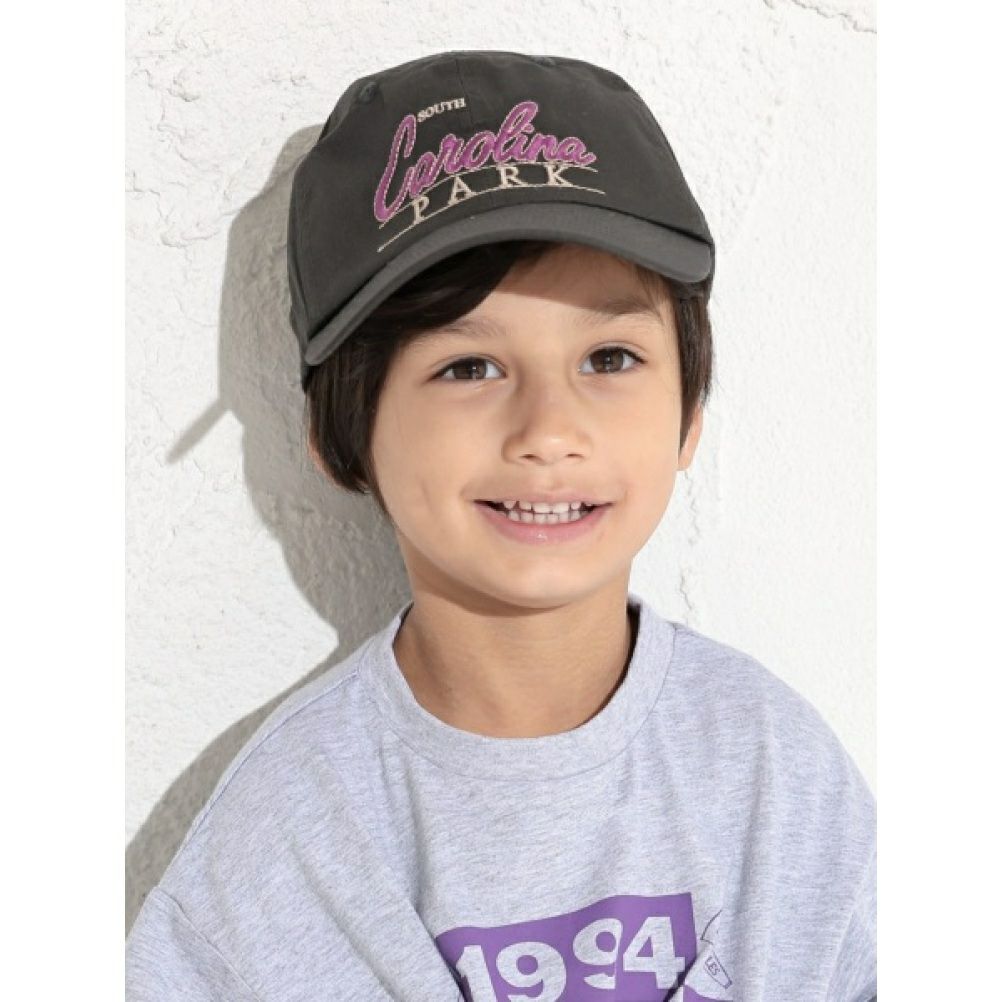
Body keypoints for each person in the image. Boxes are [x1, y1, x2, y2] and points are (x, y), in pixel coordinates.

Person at [125, 49, 876, 1001]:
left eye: (610, 357)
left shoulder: (774, 771)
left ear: (690, 415)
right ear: (342, 435)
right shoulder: (284, 842)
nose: (549, 431)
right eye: (469, 368)